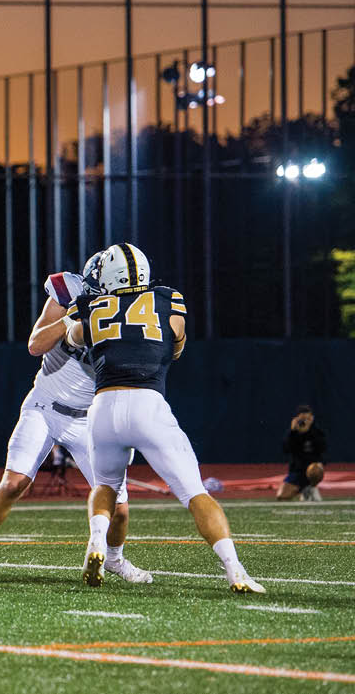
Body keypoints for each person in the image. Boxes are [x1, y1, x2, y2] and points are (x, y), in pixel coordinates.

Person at [66, 243, 264, 593]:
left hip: (103, 407)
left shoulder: (90, 308)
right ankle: (235, 570)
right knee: (195, 493)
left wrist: (80, 311)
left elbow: (73, 337)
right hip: (148, 404)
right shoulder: (168, 299)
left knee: (106, 486)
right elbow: (176, 344)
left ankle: (97, 541)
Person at [0, 262, 149, 587]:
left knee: (120, 509)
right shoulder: (71, 291)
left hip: (89, 419)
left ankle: (114, 559)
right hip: (45, 406)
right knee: (13, 484)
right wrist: (72, 318)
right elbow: (35, 345)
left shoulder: (136, 316)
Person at [277, 405, 326, 502]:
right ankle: (304, 490)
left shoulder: (316, 432)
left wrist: (308, 432)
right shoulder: (293, 433)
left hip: (312, 469)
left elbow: (322, 449)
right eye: (303, 419)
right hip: (297, 471)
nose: (305, 421)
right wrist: (292, 432)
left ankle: (312, 487)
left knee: (315, 470)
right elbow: (285, 450)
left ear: (312, 418)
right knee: (282, 497)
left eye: (308, 418)